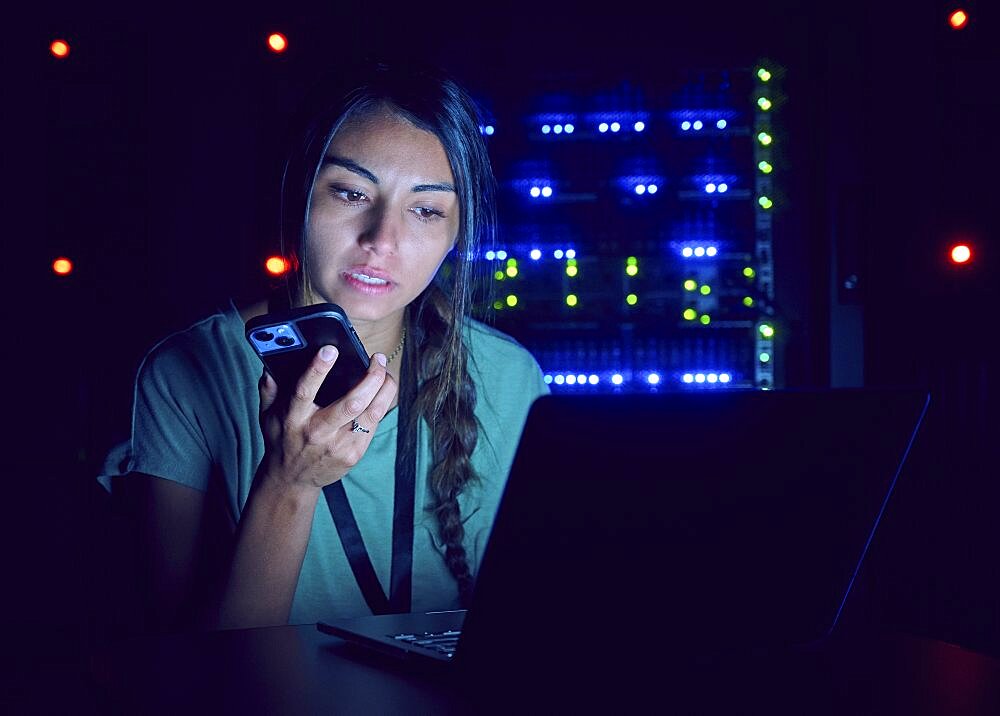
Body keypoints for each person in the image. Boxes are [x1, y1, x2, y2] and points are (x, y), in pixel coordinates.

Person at [99, 61, 548, 632]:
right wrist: (289, 483)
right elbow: (183, 663)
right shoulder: (185, 370)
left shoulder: (509, 376)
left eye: (427, 209)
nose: (381, 239)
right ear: (301, 193)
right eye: (350, 192)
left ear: (457, 233)